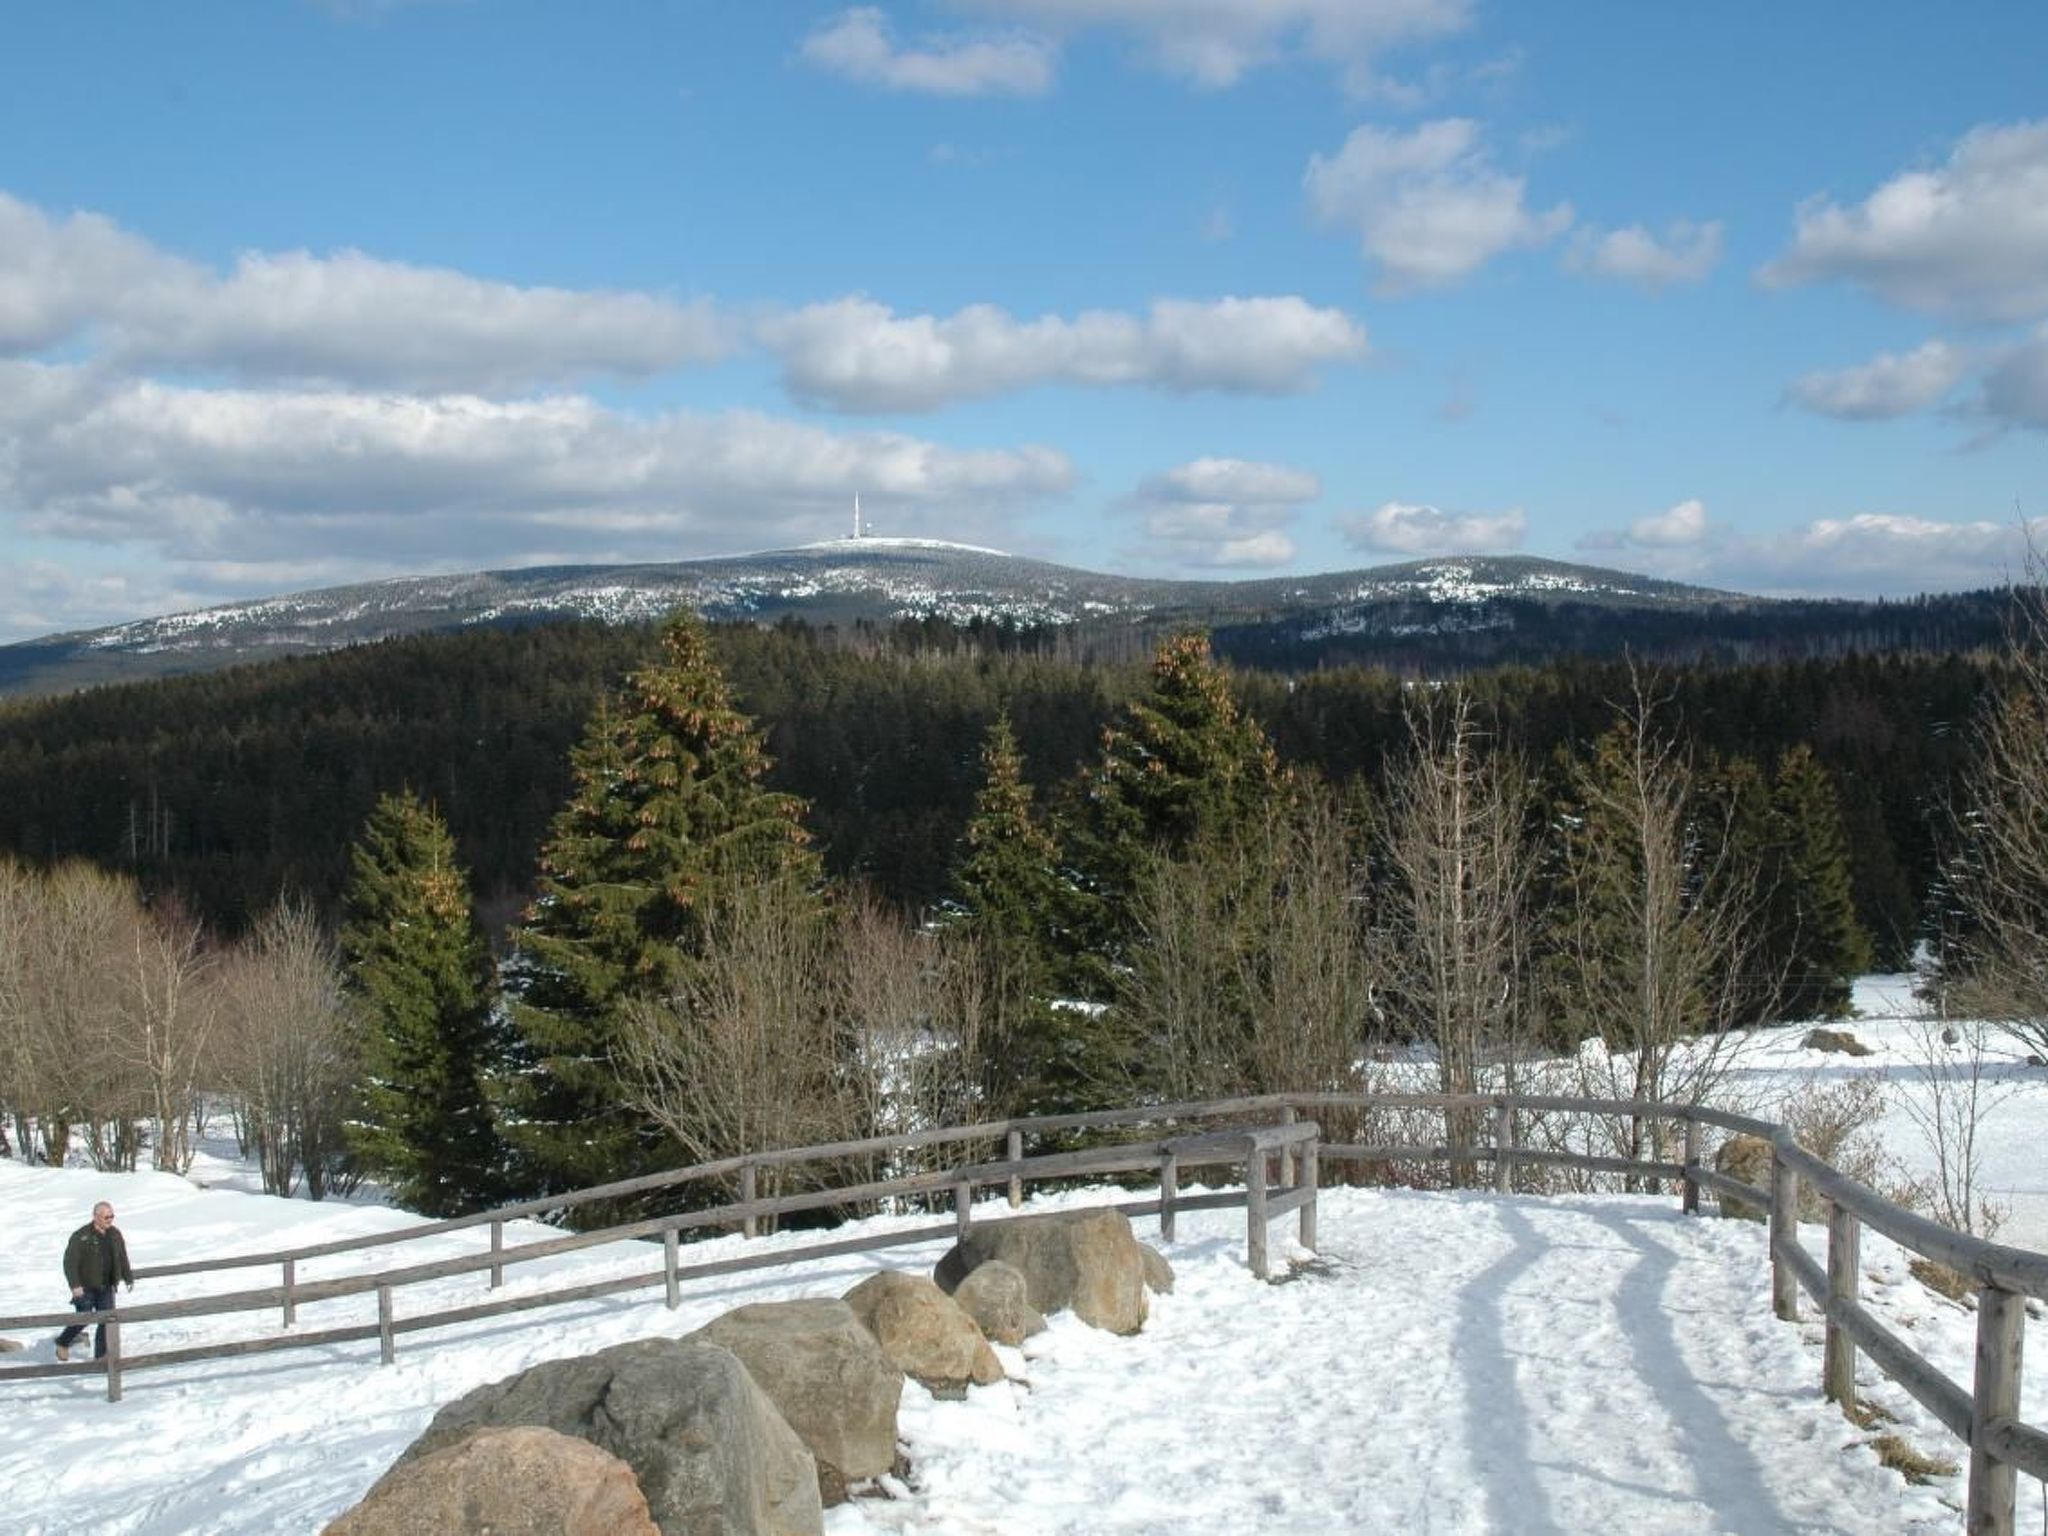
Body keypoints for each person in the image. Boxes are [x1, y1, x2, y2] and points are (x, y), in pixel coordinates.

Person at [54, 1201, 133, 1362]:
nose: (110, 1220)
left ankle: (101, 1357)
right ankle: (63, 1342)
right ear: (96, 1217)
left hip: (106, 1285)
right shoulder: (81, 1236)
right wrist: (75, 1286)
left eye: (112, 1216)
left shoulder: (115, 1234)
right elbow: (70, 1263)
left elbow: (122, 1256)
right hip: (85, 1287)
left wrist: (127, 1276)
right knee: (84, 1317)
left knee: (106, 1320)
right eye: (106, 1217)